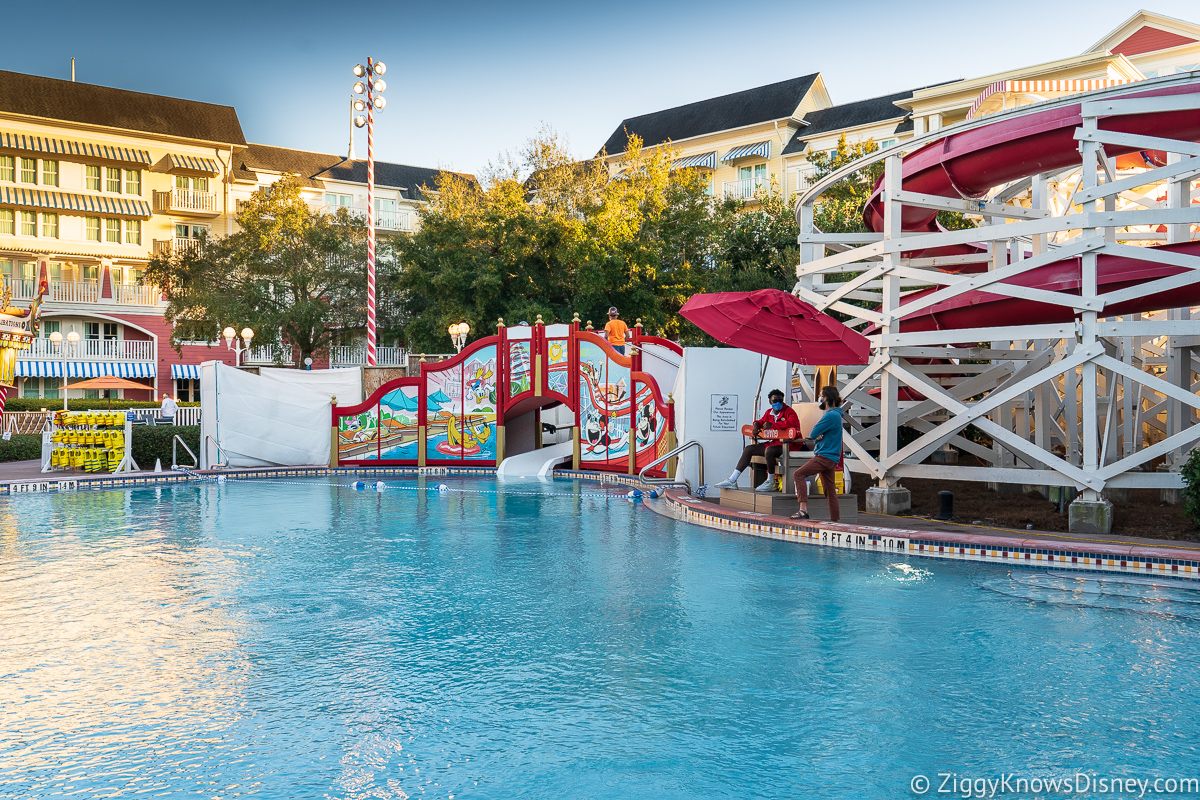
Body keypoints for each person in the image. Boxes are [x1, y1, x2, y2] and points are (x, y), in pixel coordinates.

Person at [713, 389, 802, 492]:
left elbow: (792, 423)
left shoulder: (789, 411)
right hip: (774, 443)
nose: (778, 403)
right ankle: (732, 480)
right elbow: (761, 421)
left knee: (769, 450)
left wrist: (773, 425)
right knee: (749, 449)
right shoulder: (769, 413)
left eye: (780, 401)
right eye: (775, 401)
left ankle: (771, 482)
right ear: (770, 402)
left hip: (789, 445)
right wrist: (756, 424)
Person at [791, 385, 846, 521]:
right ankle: (835, 521)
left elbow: (813, 432)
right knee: (830, 492)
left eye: (821, 395)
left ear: (825, 398)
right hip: (832, 458)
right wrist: (818, 437)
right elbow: (820, 435)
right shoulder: (838, 415)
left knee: (798, 474)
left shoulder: (830, 415)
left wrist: (817, 437)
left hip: (823, 456)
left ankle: (803, 509)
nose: (820, 398)